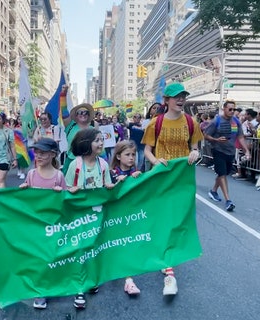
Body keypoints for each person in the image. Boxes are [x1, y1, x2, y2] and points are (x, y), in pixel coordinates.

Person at [141, 83, 202, 296]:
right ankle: (168, 263)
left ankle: (169, 256)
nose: (181, 99)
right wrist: (156, 161)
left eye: (183, 96)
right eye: (176, 96)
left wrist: (195, 155)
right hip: (163, 178)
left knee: (179, 219)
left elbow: (195, 149)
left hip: (183, 179)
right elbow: (147, 151)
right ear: (166, 100)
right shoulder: (155, 123)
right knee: (165, 218)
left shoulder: (191, 122)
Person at [65, 128, 115, 309]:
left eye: (102, 140)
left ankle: (92, 279)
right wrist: (71, 190)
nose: (101, 143)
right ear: (86, 143)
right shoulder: (75, 165)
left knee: (94, 247)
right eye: (97, 140)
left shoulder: (103, 164)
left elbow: (107, 185)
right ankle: (79, 287)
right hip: (79, 216)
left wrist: (111, 186)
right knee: (80, 249)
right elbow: (66, 189)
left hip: (97, 215)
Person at [18, 138, 66, 309]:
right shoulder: (31, 174)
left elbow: (66, 203)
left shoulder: (59, 176)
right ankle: (41, 291)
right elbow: (27, 201)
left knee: (52, 257)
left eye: (43, 153)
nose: (38, 155)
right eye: (36, 152)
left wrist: (61, 193)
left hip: (53, 225)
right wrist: (24, 190)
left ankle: (54, 284)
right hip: (36, 226)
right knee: (38, 258)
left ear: (53, 155)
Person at [108, 140, 143, 295]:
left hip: (130, 215)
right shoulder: (111, 173)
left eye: (133, 155)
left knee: (126, 245)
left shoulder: (135, 172)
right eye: (127, 154)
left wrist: (138, 178)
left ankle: (128, 281)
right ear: (118, 156)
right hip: (115, 216)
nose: (131, 158)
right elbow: (106, 193)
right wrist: (116, 183)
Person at [203, 99, 250, 212]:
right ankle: (228, 200)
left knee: (223, 174)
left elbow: (240, 137)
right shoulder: (216, 121)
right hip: (218, 150)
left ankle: (213, 191)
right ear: (224, 109)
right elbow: (205, 135)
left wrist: (247, 151)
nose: (232, 111)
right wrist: (216, 139)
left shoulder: (236, 122)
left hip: (230, 151)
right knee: (222, 174)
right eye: (230, 109)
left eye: (233, 109)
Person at [62, 102, 96, 174]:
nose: (83, 114)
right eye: (80, 112)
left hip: (88, 163)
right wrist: (63, 94)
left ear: (88, 115)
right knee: (68, 184)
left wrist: (107, 166)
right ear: (76, 115)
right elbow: (63, 110)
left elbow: (100, 148)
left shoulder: (93, 129)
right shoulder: (70, 126)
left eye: (86, 112)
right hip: (71, 161)